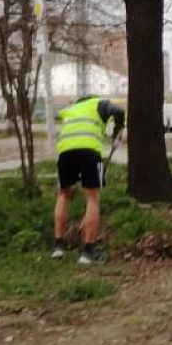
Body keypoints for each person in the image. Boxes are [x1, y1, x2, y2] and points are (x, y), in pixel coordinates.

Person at [52, 95, 125, 264]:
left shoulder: (71, 109)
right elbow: (119, 111)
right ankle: (88, 251)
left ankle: (58, 246)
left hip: (65, 151)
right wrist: (117, 130)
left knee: (63, 195)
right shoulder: (98, 103)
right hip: (89, 152)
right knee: (93, 198)